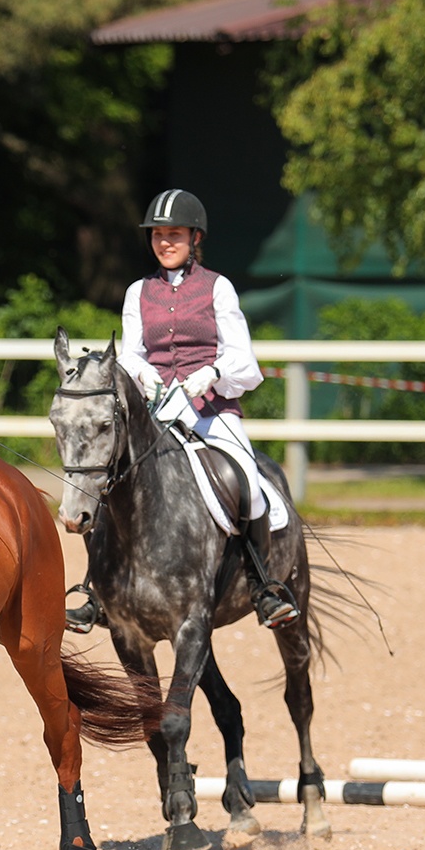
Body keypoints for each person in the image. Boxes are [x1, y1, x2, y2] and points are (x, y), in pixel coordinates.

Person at [69, 188, 299, 631]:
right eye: (157, 235)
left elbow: (245, 362)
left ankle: (263, 584)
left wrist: (212, 372)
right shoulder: (139, 291)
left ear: (195, 237)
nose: (164, 242)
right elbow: (131, 350)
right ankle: (97, 590)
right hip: (157, 413)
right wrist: (141, 371)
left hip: (212, 411)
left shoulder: (218, 287)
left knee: (247, 482)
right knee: (110, 481)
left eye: (174, 234)